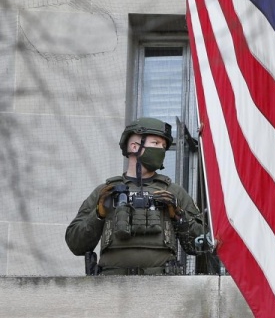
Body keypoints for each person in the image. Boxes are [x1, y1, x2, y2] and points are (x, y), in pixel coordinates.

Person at [65, 117, 207, 275]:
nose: (161, 149)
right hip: (112, 286)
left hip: (162, 287)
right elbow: (75, 244)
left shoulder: (174, 192)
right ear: (134, 147)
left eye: (164, 146)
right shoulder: (106, 191)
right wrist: (98, 214)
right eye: (155, 143)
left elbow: (200, 244)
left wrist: (179, 216)